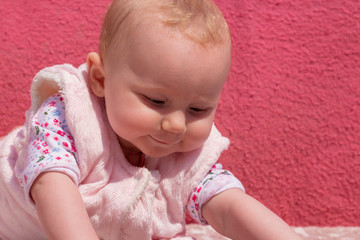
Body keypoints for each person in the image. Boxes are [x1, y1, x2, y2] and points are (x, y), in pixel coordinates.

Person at [0, 0, 302, 239]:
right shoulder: (68, 115)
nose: (176, 125)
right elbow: (51, 188)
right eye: (156, 101)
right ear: (101, 79)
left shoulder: (188, 157)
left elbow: (228, 208)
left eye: (198, 110)